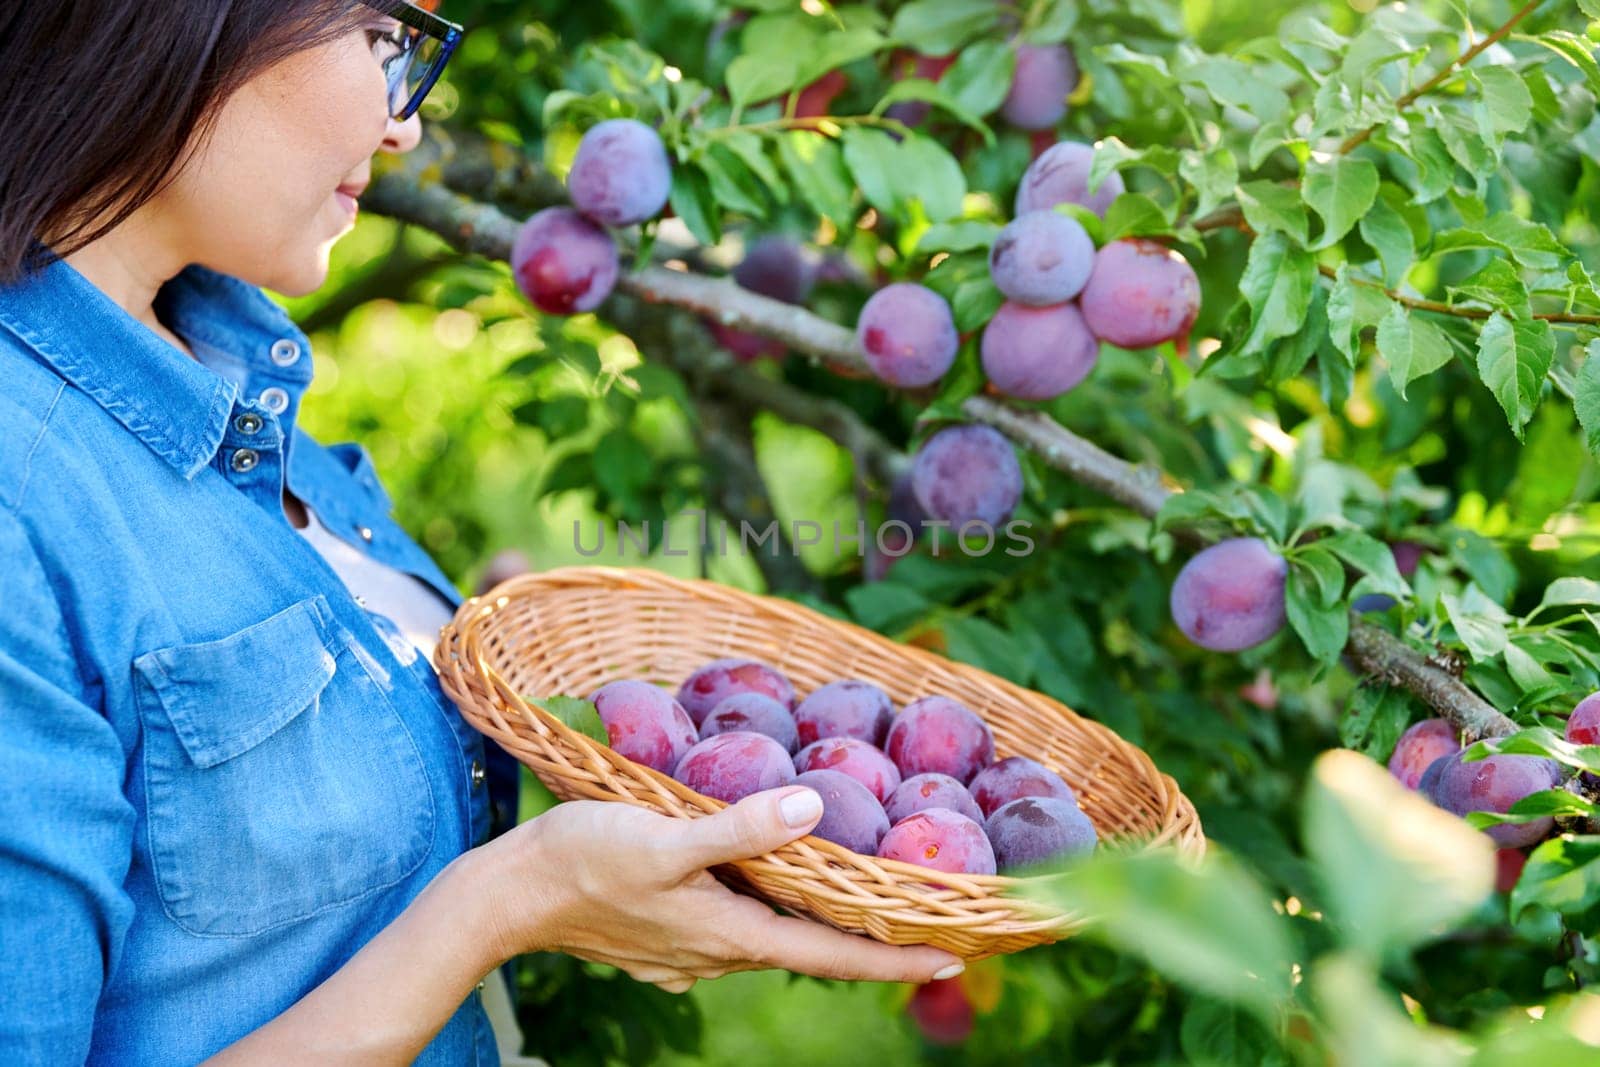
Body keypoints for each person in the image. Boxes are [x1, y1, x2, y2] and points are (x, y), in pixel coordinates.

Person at [0, 2, 965, 1064]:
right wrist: (511, 901)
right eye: (383, 39)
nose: (405, 123)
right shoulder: (22, 491)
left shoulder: (219, 358)